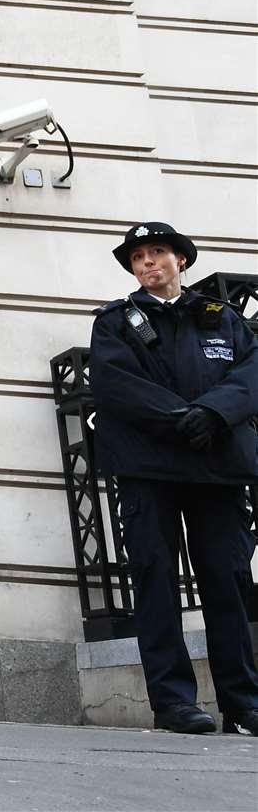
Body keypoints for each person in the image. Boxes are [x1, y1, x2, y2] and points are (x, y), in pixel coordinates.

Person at [88, 222, 258, 737]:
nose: (148, 262)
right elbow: (116, 384)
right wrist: (183, 418)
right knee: (156, 582)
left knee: (227, 584)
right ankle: (174, 701)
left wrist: (213, 414)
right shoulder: (114, 323)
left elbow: (251, 373)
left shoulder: (222, 318)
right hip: (148, 469)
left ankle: (243, 701)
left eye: (157, 252)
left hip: (217, 470)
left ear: (180, 260)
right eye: (138, 256)